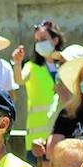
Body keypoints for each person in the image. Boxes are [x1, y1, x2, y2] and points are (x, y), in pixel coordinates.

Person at [13, 20, 65, 148]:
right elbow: (19, 80)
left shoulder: (66, 65)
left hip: (61, 135)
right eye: (37, 40)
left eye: (43, 39)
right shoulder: (31, 66)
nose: (39, 43)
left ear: (55, 40)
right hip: (36, 139)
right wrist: (17, 63)